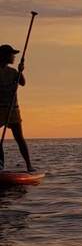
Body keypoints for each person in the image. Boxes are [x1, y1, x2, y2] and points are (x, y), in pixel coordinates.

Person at [0, 44, 33, 172]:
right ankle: (0, 165)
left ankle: (29, 165)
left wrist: (20, 72)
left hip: (13, 110)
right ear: (4, 56)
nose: (14, 56)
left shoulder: (13, 72)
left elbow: (23, 83)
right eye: (11, 54)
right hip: (0, 109)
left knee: (19, 138)